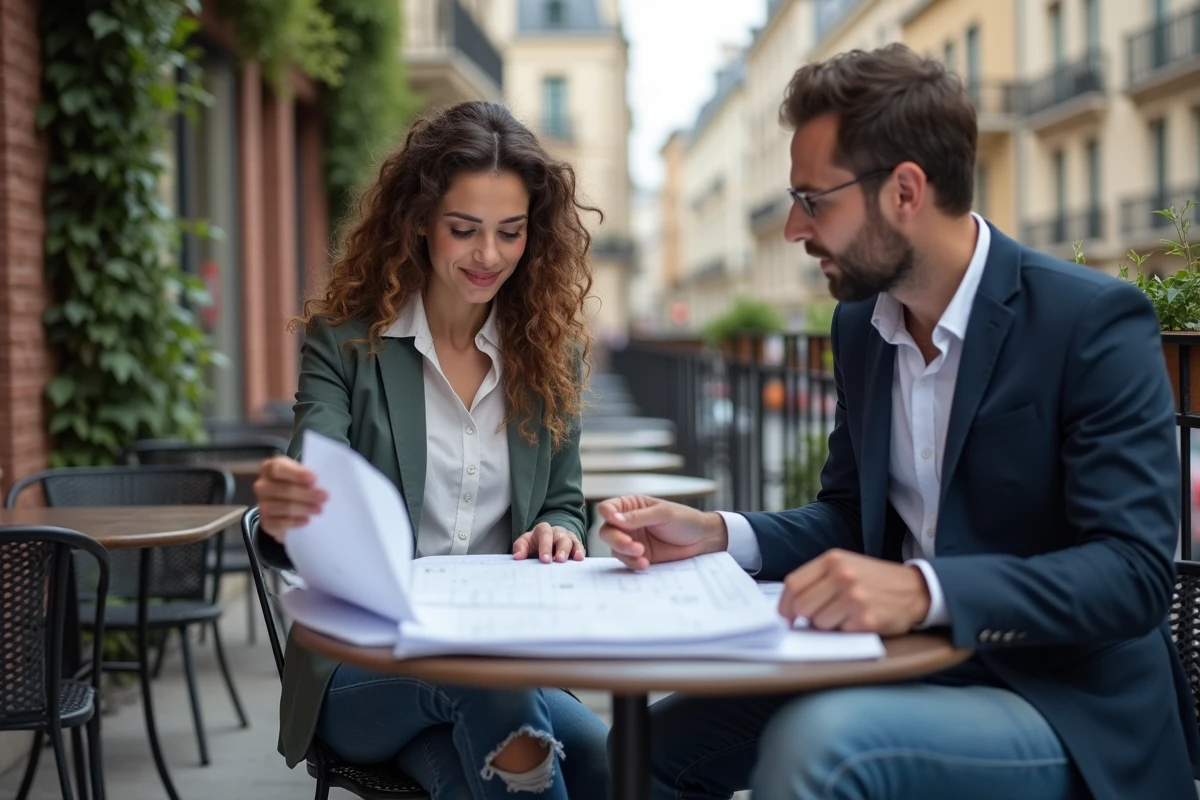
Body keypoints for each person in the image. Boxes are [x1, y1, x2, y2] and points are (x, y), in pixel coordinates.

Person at [596, 44, 1200, 800]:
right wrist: (719, 535)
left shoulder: (1089, 321)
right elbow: (853, 517)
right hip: (893, 661)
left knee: (825, 748)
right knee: (639, 745)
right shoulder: (861, 328)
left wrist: (923, 591)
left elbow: (1132, 575)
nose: (793, 228)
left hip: (1061, 699)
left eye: (814, 200)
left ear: (905, 191)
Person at [252, 101, 610, 800]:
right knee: (498, 703)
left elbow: (566, 504)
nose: (488, 256)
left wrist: (558, 532)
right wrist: (285, 511)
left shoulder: (549, 352)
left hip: (500, 659)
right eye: (464, 230)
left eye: (510, 233)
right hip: (363, 662)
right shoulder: (346, 341)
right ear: (419, 221)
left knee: (599, 759)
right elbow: (312, 495)